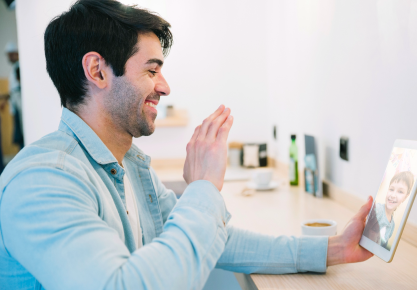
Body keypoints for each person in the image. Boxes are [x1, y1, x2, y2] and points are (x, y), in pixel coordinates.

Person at [0, 1, 373, 289]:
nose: (164, 86)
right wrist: (203, 189)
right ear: (97, 70)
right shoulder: (44, 180)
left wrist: (335, 249)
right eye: (151, 70)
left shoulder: (128, 162)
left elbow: (218, 239)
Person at [363, 171, 414, 249]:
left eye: (400, 192)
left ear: (406, 197)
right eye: (391, 189)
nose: (393, 195)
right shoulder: (378, 210)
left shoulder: (392, 225)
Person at [0, 42, 24, 149]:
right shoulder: (14, 68)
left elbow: (17, 90)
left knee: (21, 135)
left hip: (20, 108)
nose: (9, 57)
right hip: (16, 108)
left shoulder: (20, 67)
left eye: (11, 54)